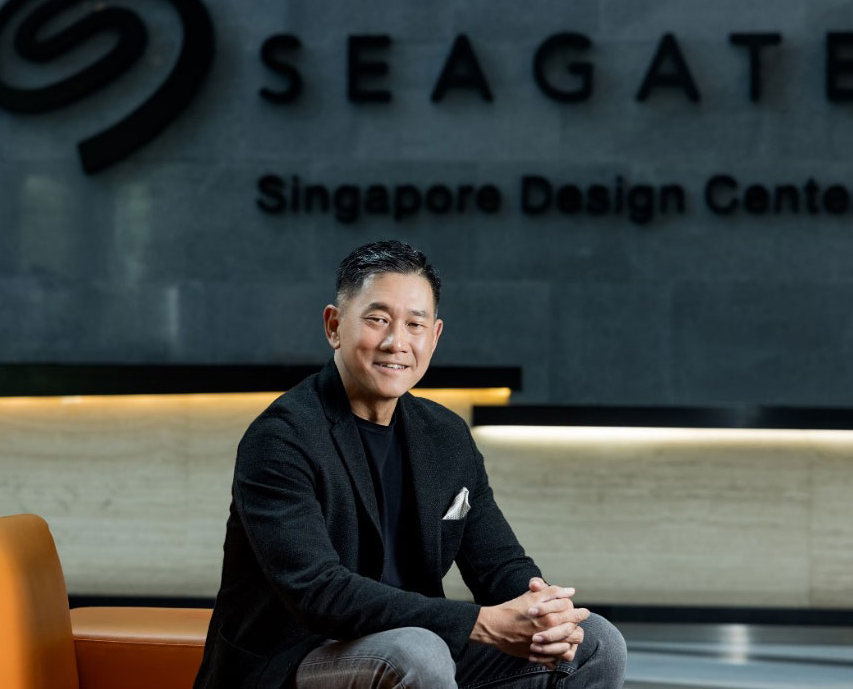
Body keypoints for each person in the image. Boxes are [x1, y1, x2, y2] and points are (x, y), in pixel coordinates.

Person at [195, 240, 626, 688]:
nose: (396, 342)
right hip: (294, 659)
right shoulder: (282, 438)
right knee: (418, 653)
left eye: (414, 324)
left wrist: (545, 612)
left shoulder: (445, 435)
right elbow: (319, 593)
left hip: (417, 644)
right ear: (334, 326)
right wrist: (481, 623)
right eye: (378, 319)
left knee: (596, 643)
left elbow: (498, 565)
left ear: (434, 336)